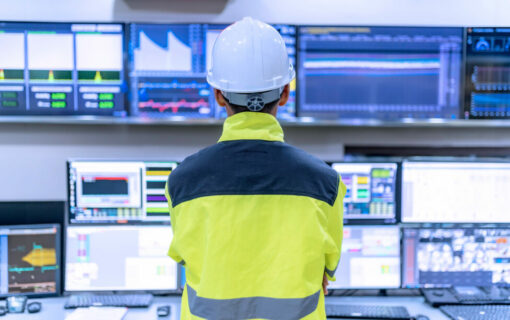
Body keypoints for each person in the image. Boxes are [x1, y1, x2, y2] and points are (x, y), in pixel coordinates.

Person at [165, 17, 345, 320]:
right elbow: (327, 268)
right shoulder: (325, 183)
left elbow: (186, 257)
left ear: (219, 94)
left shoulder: (182, 181)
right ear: (286, 93)